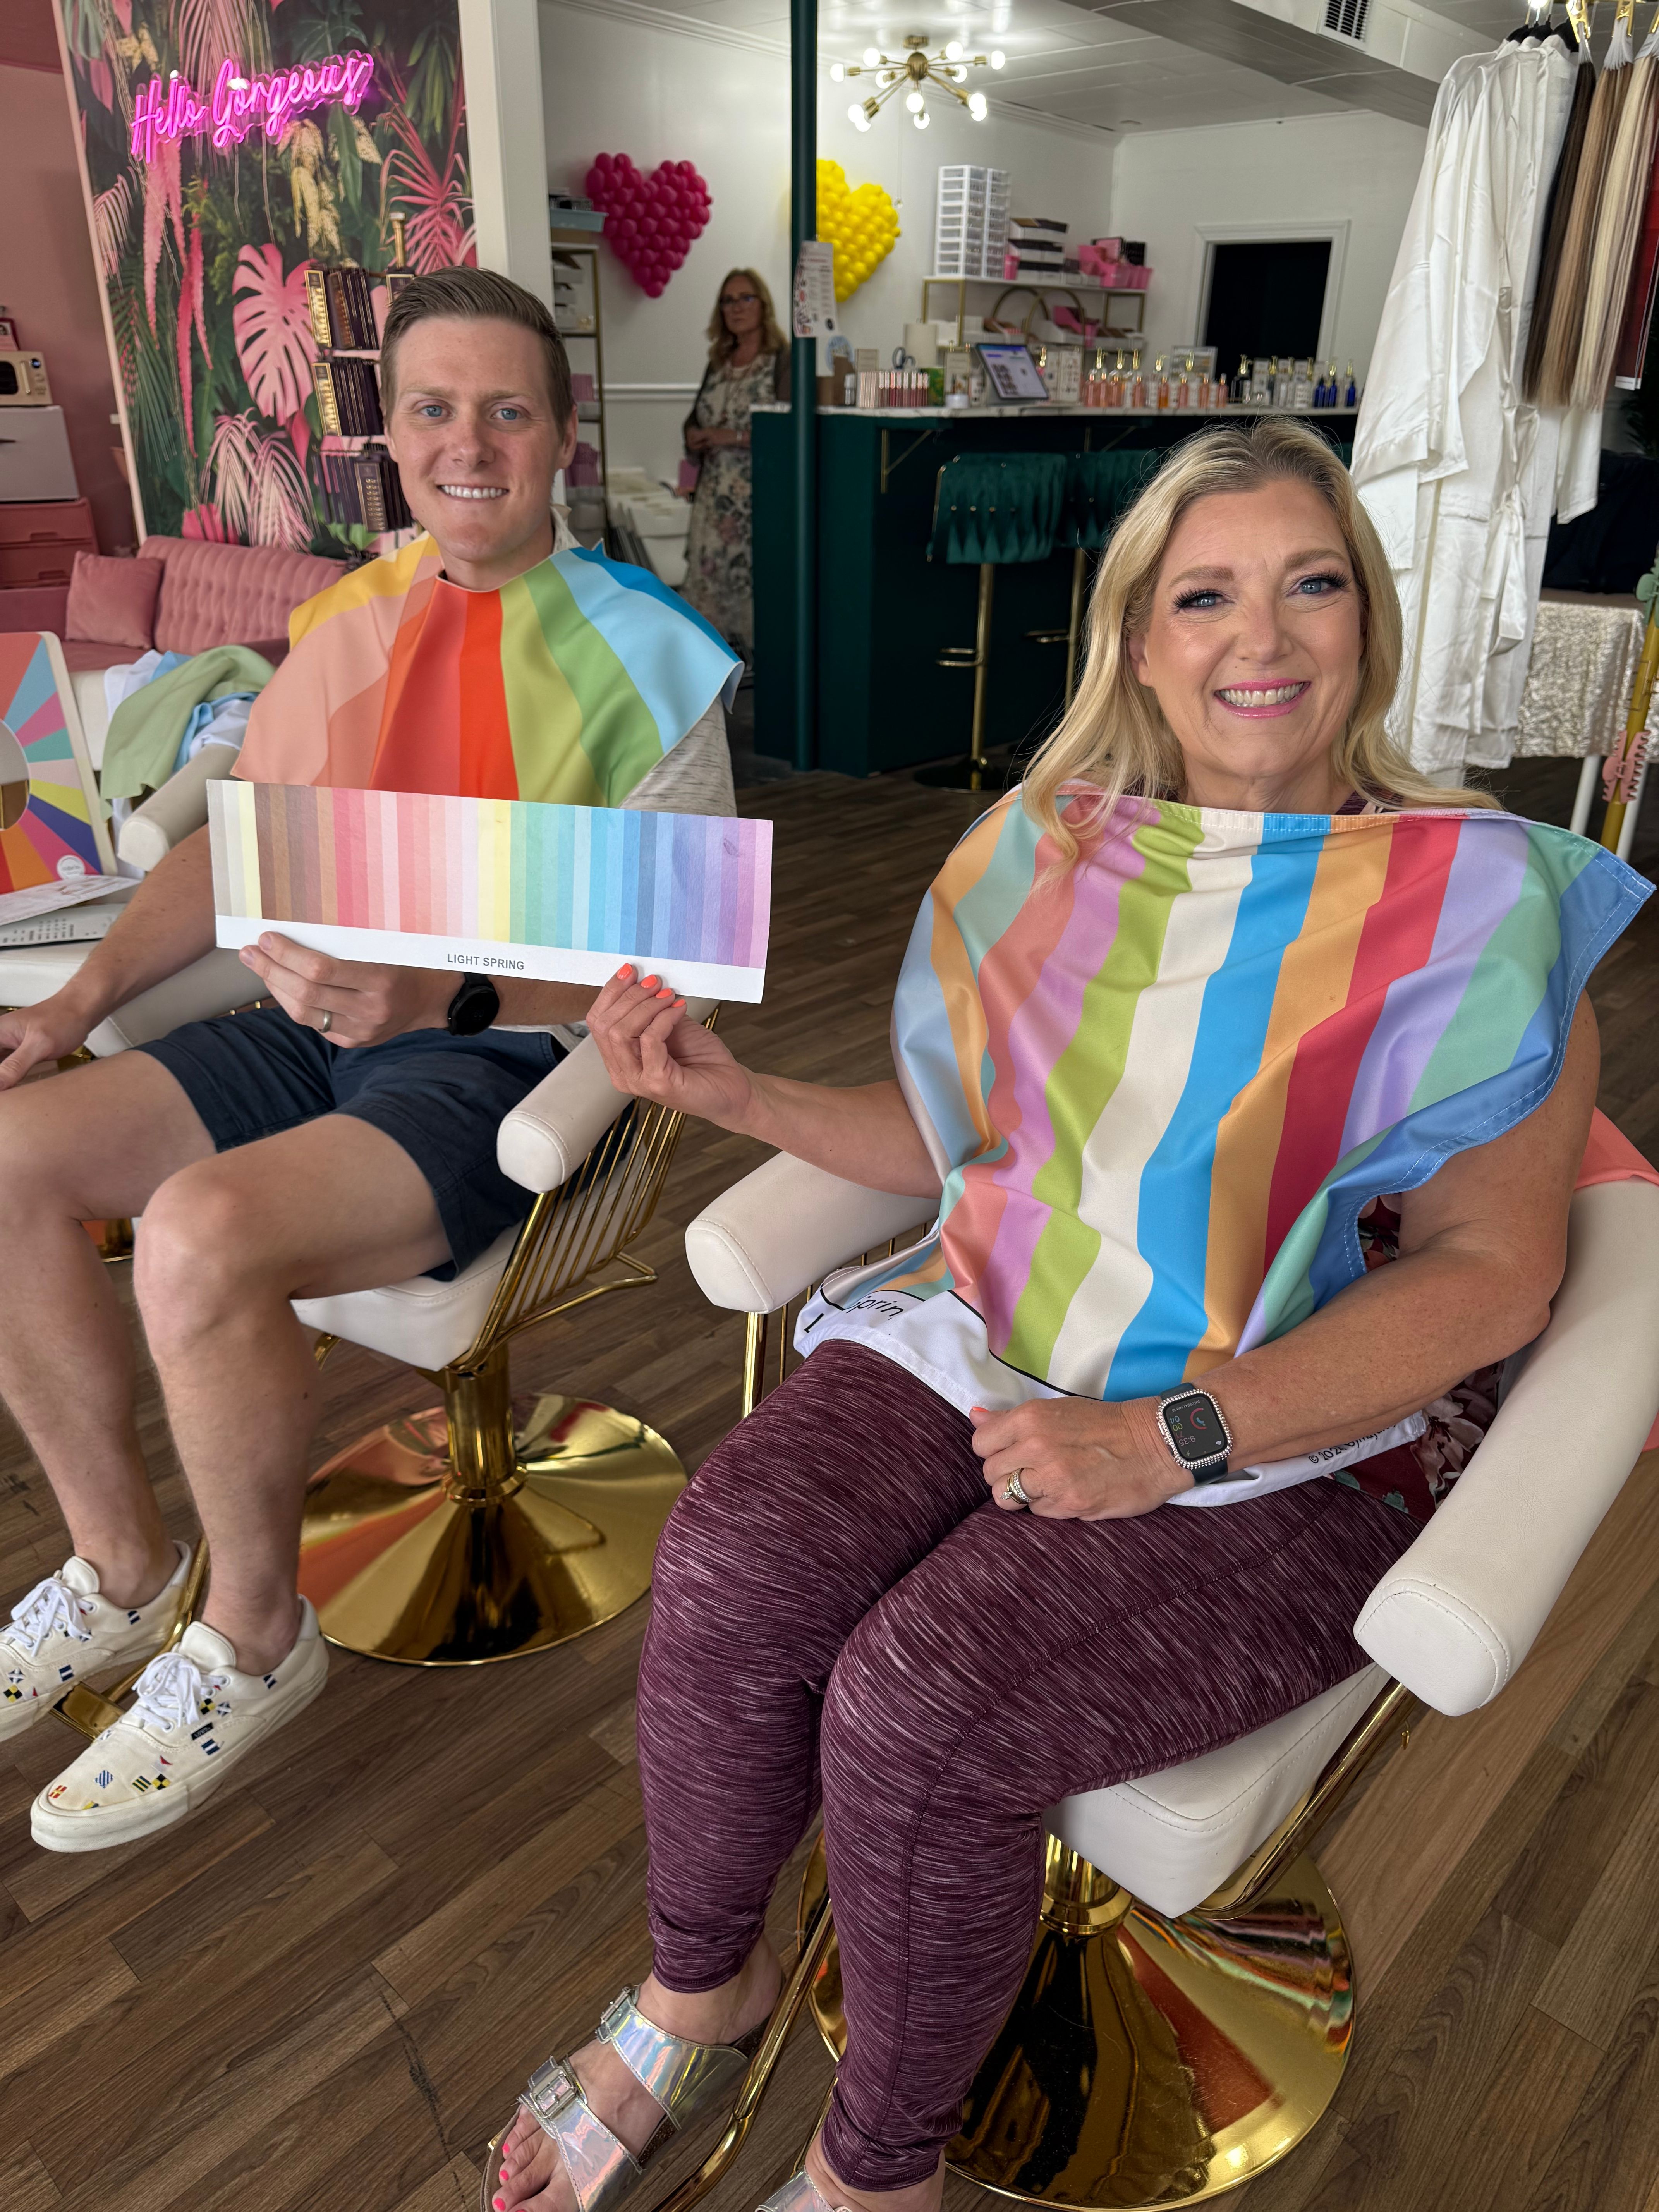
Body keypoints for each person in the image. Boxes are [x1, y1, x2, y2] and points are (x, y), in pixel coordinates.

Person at [483, 419, 1649, 2212]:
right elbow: (966, 1148)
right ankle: (701, 1993)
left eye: (1311, 584)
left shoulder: (1478, 903)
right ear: (1139, 642)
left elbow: (1491, 1275)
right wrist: (739, 1097)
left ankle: (876, 2176)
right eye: (1206, 596)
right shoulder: (1049, 853)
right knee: (729, 1566)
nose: (1263, 637)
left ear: (1368, 619)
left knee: (923, 1706)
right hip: (997, 1324)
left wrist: (1174, 1435)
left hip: (1294, 1424)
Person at [0, 267, 739, 1852]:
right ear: (390, 436)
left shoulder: (650, 658)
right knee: (8, 1158)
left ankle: (257, 1638)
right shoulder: (345, 622)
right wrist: (75, 1007)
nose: (469, 443)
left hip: (503, 1056)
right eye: (433, 409)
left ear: (560, 436)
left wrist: (442, 990)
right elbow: (232, 847)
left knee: (197, 1234)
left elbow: (677, 960)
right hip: (308, 1026)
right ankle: (121, 1571)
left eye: (507, 410)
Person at [680, 268, 790, 663]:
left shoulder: (782, 361)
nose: (736, 308)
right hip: (713, 505)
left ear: (763, 305)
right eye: (728, 301)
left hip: (757, 504)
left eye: (746, 298)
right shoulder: (719, 363)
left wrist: (734, 437)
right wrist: (695, 435)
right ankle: (716, 687)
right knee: (708, 603)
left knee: (757, 603)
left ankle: (766, 687)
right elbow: (695, 418)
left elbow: (789, 434)